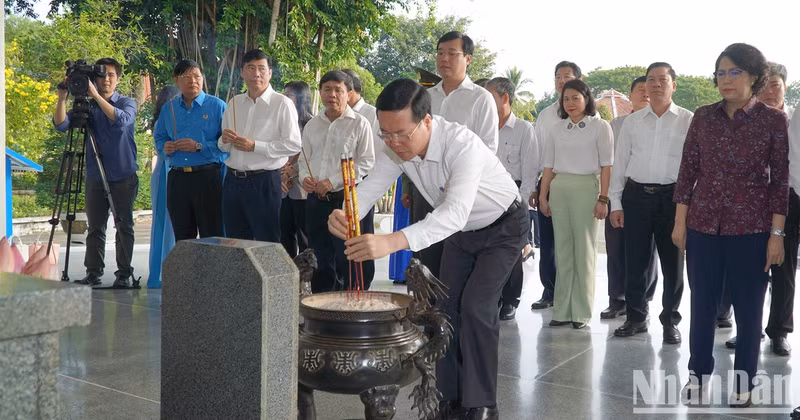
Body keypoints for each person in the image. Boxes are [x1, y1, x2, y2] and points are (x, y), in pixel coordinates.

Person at [329, 78, 526, 420]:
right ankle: (449, 397)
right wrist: (346, 212)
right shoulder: (395, 144)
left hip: (503, 226)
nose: (393, 142)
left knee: (477, 307)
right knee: (444, 311)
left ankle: (482, 404)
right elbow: (373, 184)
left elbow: (453, 212)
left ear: (427, 121)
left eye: (401, 134)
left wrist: (391, 241)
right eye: (385, 133)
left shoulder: (461, 145)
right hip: (462, 233)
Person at [673, 43, 788, 406]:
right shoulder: (703, 116)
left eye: (735, 72)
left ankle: (744, 383)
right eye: (721, 72)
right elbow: (688, 170)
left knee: (750, 310)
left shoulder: (773, 120)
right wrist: (680, 223)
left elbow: (780, 181)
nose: (726, 79)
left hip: (752, 230)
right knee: (702, 306)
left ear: (754, 77)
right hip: (703, 226)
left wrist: (777, 234)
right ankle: (698, 375)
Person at [609, 63, 694, 345]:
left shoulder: (688, 120)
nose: (655, 85)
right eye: (650, 80)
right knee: (636, 262)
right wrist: (616, 203)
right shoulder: (633, 121)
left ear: (674, 84)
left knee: (673, 264)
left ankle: (670, 320)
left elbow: (695, 168)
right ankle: (636, 317)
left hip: (673, 200)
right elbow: (619, 163)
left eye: (662, 79)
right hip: (636, 197)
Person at [724, 62, 795, 355]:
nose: (768, 92)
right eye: (763, 86)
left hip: (787, 201)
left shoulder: (793, 121)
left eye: (775, 86)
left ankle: (778, 330)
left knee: (783, 267)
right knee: (749, 270)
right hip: (751, 203)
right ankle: (747, 330)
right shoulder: (748, 120)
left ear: (784, 88)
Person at [54, 57, 139, 287]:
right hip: (94, 175)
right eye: (102, 75)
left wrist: (97, 97)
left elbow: (122, 120)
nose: (107, 79)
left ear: (118, 78)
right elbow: (61, 125)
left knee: (123, 225)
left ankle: (123, 274)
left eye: (112, 75)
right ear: (95, 78)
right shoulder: (86, 105)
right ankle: (93, 272)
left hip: (123, 175)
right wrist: (62, 98)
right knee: (95, 228)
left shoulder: (127, 102)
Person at [538, 79, 613, 329]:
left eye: (575, 98)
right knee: (563, 250)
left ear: (586, 99)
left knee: (584, 251)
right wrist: (542, 196)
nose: (570, 103)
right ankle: (561, 309)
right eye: (566, 99)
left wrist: (603, 198)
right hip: (559, 189)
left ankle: (581, 312)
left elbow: (606, 167)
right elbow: (548, 166)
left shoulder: (599, 127)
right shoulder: (556, 129)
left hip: (586, 189)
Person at [299, 70, 375, 293]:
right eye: (327, 89)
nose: (332, 94)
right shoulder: (313, 124)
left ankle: (351, 307)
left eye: (338, 90)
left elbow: (367, 163)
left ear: (348, 93)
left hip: (346, 201)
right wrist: (305, 178)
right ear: (320, 92)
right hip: (316, 200)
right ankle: (323, 305)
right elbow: (304, 158)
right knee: (319, 256)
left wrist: (332, 182)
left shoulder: (360, 124)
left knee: (349, 257)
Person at [218, 49, 301, 242]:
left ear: (270, 73)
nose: (256, 74)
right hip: (232, 180)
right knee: (235, 241)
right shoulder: (234, 103)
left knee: (267, 242)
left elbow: (294, 144)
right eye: (251, 68)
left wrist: (255, 146)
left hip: (264, 181)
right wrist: (224, 140)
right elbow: (223, 146)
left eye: (261, 69)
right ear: (242, 72)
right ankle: (239, 274)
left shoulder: (282, 104)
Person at [601, 76, 659, 319]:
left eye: (649, 90)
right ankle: (617, 299)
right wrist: (609, 198)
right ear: (630, 95)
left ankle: (642, 298)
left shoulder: (662, 123)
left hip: (649, 194)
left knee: (647, 251)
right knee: (616, 248)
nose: (645, 94)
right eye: (640, 90)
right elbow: (609, 162)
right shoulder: (617, 124)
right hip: (620, 192)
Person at [154, 59, 227, 241]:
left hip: (208, 178)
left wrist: (199, 146)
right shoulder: (168, 109)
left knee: (212, 235)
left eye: (196, 76)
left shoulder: (217, 106)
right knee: (183, 238)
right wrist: (165, 148)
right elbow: (160, 138)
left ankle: (211, 271)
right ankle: (188, 271)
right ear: (176, 81)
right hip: (177, 179)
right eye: (186, 77)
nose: (193, 81)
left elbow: (227, 144)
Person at [486, 77, 539, 321]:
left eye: (489, 96)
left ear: (505, 98)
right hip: (485, 195)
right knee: (487, 251)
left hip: (513, 196)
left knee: (512, 252)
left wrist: (520, 206)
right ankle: (490, 297)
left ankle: (510, 300)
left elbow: (529, 173)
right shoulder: (482, 127)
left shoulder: (524, 130)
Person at [530, 61, 582, 310]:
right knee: (548, 243)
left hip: (578, 185)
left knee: (573, 243)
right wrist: (536, 187)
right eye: (558, 77)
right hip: (548, 183)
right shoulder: (545, 115)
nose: (562, 81)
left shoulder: (590, 117)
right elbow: (537, 153)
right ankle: (549, 291)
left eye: (567, 76)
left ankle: (572, 294)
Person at [341, 68, 378, 287]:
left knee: (362, 235)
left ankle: (363, 283)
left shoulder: (371, 114)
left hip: (364, 184)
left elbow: (375, 155)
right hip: (338, 183)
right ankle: (346, 283)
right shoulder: (335, 114)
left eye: (340, 89)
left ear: (350, 90)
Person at [147, 86, 180, 288]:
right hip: (165, 174)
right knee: (165, 223)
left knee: (171, 225)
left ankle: (165, 271)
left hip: (167, 172)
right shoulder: (165, 120)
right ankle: (164, 272)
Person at [280, 81, 314, 257]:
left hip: (302, 190)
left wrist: (290, 173)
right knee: (284, 237)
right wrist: (281, 175)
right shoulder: (280, 120)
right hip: (281, 188)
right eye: (283, 94)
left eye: (289, 95)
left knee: (305, 238)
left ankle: (307, 279)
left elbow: (310, 156)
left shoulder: (312, 124)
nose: (284, 99)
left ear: (301, 98)